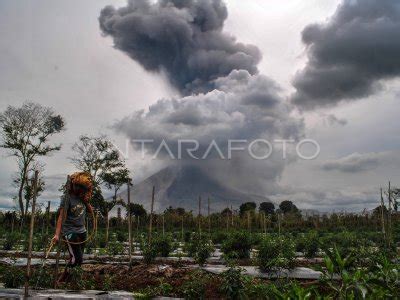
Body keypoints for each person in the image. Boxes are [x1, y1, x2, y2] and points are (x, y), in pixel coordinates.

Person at [52, 172, 94, 283]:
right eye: (75, 185)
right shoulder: (67, 198)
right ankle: (62, 281)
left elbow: (90, 212)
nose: (77, 188)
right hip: (70, 232)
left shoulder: (82, 197)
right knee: (77, 259)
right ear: (72, 184)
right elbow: (61, 217)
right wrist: (57, 234)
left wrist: (86, 201)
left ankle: (68, 281)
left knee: (75, 259)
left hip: (82, 231)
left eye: (80, 187)